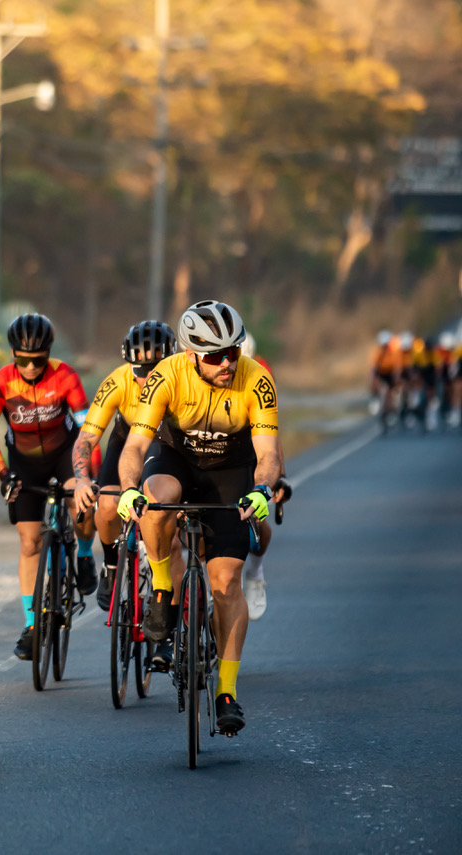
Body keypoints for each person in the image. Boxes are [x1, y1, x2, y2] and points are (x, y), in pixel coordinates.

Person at [115, 300, 285, 736]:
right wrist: (129, 488)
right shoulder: (166, 375)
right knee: (156, 499)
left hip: (230, 471)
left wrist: (262, 490)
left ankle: (226, 690)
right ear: (190, 354)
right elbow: (135, 447)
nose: (227, 363)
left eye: (233, 351)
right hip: (177, 460)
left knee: (226, 582)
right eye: (215, 356)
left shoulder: (256, 379)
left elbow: (268, 454)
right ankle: (162, 587)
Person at [0, 313, 97, 661]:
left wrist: (88, 477)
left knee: (82, 503)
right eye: (23, 360)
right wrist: (3, 474)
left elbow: (89, 432)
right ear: (12, 354)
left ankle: (85, 554)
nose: (31, 367)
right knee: (29, 542)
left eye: (38, 360)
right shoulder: (1, 382)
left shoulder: (65, 375)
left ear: (49, 353)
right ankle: (33, 625)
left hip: (65, 455)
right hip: (24, 464)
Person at [72, 320, 177, 613]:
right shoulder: (117, 381)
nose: (148, 380)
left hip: (168, 443)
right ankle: (110, 565)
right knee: (107, 505)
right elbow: (86, 439)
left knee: (169, 520)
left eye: (156, 370)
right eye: (141, 372)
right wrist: (82, 479)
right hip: (128, 440)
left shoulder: (184, 379)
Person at [240, 332, 278, 621]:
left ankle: (255, 572)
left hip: (250, 446)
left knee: (256, 517)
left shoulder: (259, 374)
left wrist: (277, 478)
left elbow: (271, 438)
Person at [369, 330, 403, 433]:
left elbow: (397, 366)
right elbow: (374, 366)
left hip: (391, 373)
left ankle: (393, 408)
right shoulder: (378, 351)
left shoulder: (393, 351)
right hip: (381, 373)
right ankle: (376, 400)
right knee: (375, 384)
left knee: (392, 391)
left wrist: (397, 378)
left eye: (385, 344)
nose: (383, 346)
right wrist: (373, 379)